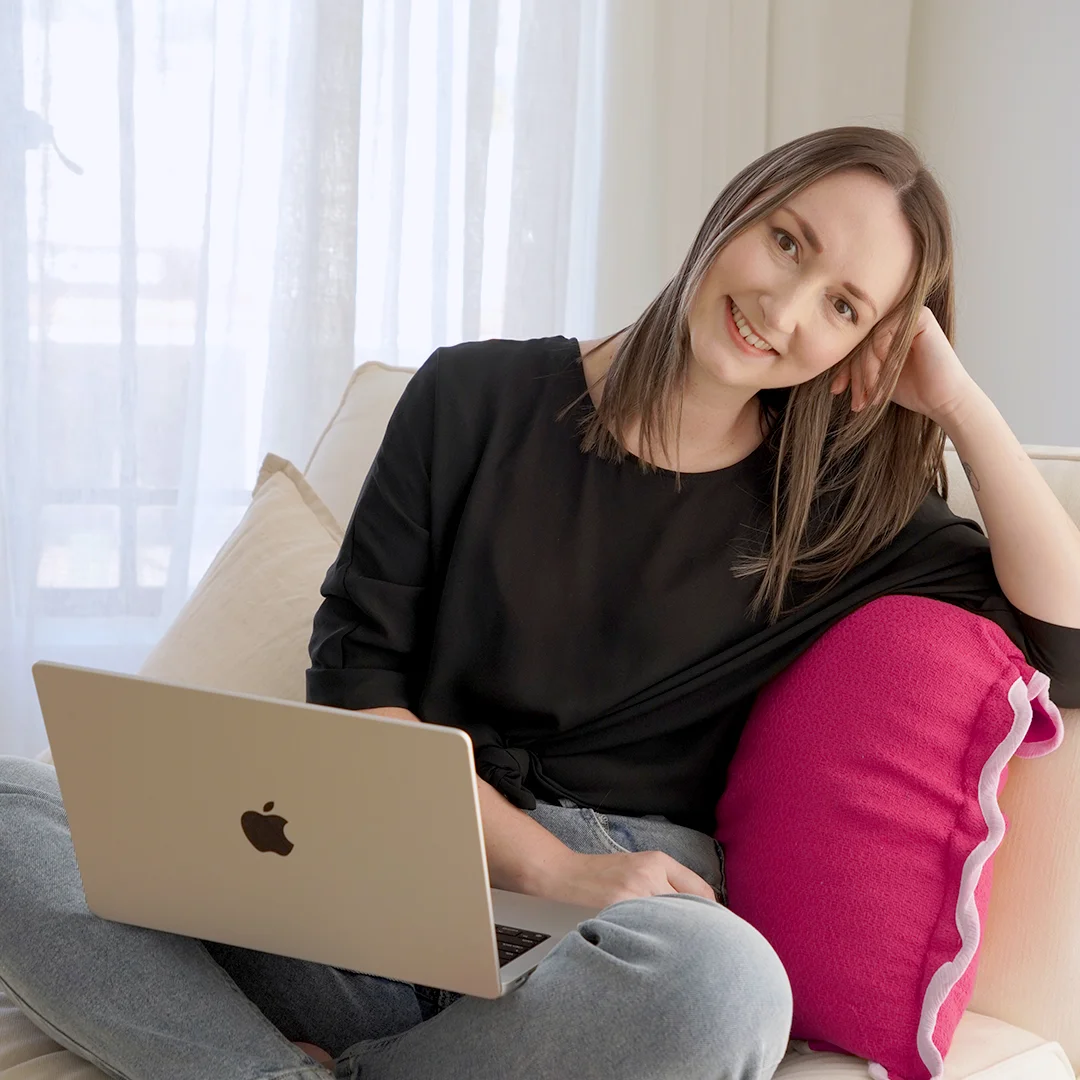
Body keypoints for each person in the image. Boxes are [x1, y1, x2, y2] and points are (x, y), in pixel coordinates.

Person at [2, 125, 1079, 1080]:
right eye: (788, 243)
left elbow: (1069, 650)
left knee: (731, 987)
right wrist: (549, 865)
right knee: (13, 804)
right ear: (734, 212)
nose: (784, 309)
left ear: (868, 345)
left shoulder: (839, 519)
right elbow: (354, 680)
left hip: (598, 956)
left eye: (844, 307)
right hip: (383, 884)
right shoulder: (470, 396)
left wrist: (959, 401)